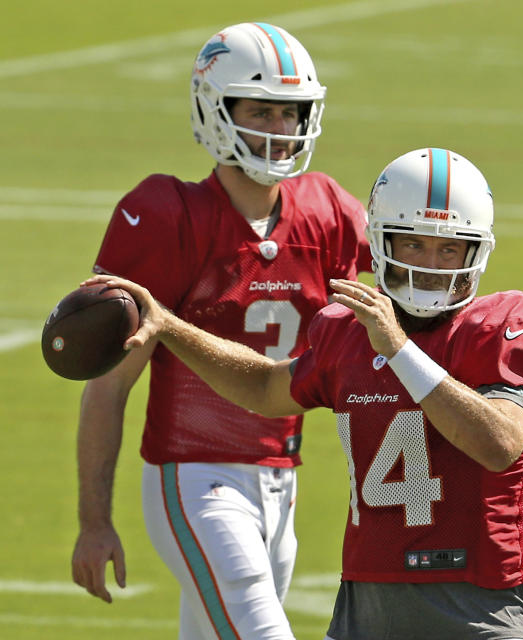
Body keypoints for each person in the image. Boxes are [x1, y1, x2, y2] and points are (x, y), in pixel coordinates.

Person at [84, 147, 523, 640]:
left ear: (476, 252)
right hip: (365, 607)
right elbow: (264, 384)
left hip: (478, 607)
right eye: (413, 245)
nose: (430, 264)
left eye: (449, 248)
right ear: (382, 243)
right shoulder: (349, 332)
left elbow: (500, 443)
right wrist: (169, 325)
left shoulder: (505, 324)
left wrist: (400, 351)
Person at [70, 22, 370, 640]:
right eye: (261, 111)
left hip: (283, 479)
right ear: (216, 109)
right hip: (195, 477)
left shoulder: (329, 211)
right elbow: (108, 384)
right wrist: (94, 519)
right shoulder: (169, 216)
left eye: (291, 114)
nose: (280, 131)